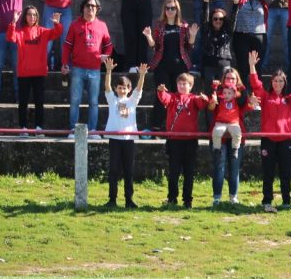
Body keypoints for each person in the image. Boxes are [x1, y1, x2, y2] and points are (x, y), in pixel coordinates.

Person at [248, 47, 291, 212]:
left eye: (281, 81)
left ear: (285, 83)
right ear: (271, 82)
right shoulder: (266, 97)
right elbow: (255, 84)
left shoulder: (289, 100)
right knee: (268, 173)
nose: (278, 83)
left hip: (285, 141)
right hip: (268, 140)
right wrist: (252, 66)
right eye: (275, 81)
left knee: (285, 172)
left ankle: (286, 201)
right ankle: (267, 200)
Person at [6, 6, 63, 134]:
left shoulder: (42, 31)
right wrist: (13, 22)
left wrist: (56, 23)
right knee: (23, 102)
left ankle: (39, 127)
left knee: (39, 102)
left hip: (39, 72)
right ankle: (23, 128)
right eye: (29, 14)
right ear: (25, 17)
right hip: (24, 73)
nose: (32, 17)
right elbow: (10, 37)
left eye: (34, 15)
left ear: (37, 17)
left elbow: (57, 33)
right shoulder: (20, 32)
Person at [156, 73, 209, 208]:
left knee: (189, 172)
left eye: (185, 84)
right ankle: (172, 198)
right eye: (180, 83)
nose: (182, 86)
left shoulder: (193, 98)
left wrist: (204, 98)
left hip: (190, 140)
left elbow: (202, 103)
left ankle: (188, 200)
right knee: (173, 171)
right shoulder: (173, 97)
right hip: (174, 140)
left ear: (190, 86)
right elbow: (165, 99)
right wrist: (161, 91)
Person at [62, 0, 113, 135]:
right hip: (77, 69)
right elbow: (67, 46)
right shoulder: (74, 25)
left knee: (93, 102)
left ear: (97, 9)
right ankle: (73, 130)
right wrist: (65, 63)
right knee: (74, 101)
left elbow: (109, 46)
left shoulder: (102, 25)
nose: (91, 8)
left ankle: (92, 131)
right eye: (88, 5)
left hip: (95, 70)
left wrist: (106, 55)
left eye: (93, 6)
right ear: (83, 8)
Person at [144, 0, 197, 131]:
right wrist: (149, 37)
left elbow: (189, 46)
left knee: (178, 97)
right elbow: (154, 46)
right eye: (167, 8)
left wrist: (193, 35)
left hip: (180, 66)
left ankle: (175, 126)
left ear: (177, 10)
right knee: (162, 95)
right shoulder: (160, 25)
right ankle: (156, 127)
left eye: (173, 8)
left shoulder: (183, 26)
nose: (170, 11)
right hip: (162, 66)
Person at [102, 58, 148, 209]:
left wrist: (142, 75)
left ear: (129, 89)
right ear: (116, 88)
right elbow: (107, 87)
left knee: (129, 171)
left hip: (128, 139)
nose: (122, 90)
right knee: (113, 170)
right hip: (114, 138)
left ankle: (129, 200)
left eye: (125, 88)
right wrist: (108, 71)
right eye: (120, 87)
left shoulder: (132, 101)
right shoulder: (112, 100)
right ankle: (112, 200)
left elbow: (139, 90)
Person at [210, 66, 251, 205]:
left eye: (233, 78)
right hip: (220, 135)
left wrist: (252, 102)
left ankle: (233, 197)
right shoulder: (218, 94)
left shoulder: (239, 96)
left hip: (236, 134)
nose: (230, 80)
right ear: (223, 80)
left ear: (237, 80)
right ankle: (217, 197)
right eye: (228, 78)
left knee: (234, 169)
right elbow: (210, 108)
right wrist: (211, 100)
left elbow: (248, 105)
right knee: (219, 168)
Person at [226, 0, 267, 84]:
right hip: (241, 36)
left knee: (257, 68)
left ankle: (256, 94)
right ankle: (242, 95)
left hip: (259, 36)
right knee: (242, 67)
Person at [198, 0, 234, 90]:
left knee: (225, 91)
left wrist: (236, 4)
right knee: (210, 92)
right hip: (209, 66)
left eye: (221, 19)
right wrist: (206, 2)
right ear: (211, 19)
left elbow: (234, 19)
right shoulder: (206, 31)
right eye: (215, 18)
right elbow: (204, 18)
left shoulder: (228, 31)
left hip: (224, 66)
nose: (218, 21)